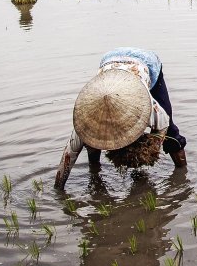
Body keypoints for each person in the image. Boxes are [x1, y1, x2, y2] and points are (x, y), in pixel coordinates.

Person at [55, 47, 187, 188]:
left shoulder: (152, 110)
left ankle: (183, 177)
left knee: (172, 134)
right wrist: (59, 189)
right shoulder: (84, 124)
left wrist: (146, 151)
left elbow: (162, 130)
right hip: (109, 61)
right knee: (91, 142)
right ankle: (95, 173)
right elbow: (68, 158)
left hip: (146, 62)